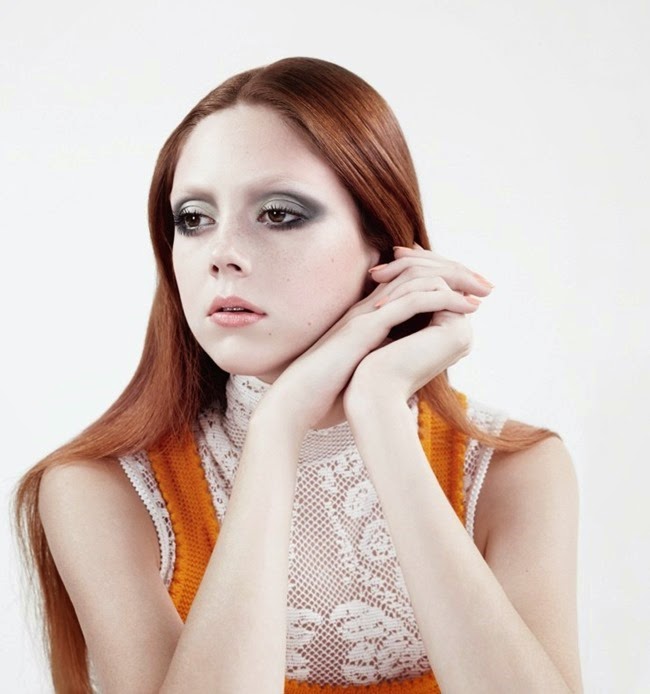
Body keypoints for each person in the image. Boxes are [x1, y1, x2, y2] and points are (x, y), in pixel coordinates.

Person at [11, 56, 582, 693]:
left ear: (382, 241)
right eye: (193, 219)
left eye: (279, 214)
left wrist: (380, 409)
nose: (221, 254)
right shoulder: (100, 489)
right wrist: (279, 426)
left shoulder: (512, 470)